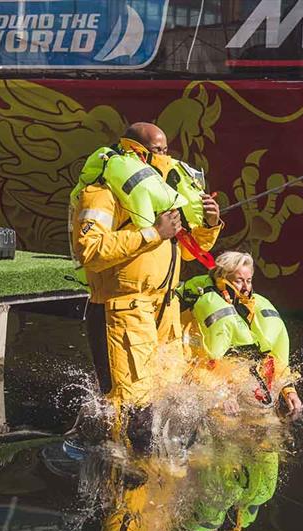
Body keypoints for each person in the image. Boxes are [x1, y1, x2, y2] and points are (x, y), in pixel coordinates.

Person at [70, 122, 222, 443]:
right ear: (133, 150)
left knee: (172, 404)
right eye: (157, 150)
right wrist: (154, 232)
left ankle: (158, 479)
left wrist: (210, 223)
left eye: (167, 150)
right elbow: (90, 250)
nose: (165, 157)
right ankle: (118, 478)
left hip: (164, 310)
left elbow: (194, 251)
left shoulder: (166, 195)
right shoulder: (100, 192)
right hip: (121, 312)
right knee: (131, 410)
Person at [178, 251, 303, 417]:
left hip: (246, 380)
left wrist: (289, 390)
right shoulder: (202, 310)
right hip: (214, 384)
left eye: (249, 281)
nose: (245, 288)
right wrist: (220, 393)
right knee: (227, 424)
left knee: (270, 427)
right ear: (222, 279)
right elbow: (194, 365)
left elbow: (273, 359)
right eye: (239, 281)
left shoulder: (254, 309)